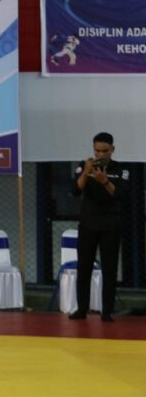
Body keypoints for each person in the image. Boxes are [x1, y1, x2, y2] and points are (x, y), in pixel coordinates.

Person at [69, 133, 129, 323]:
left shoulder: (121, 169)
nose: (100, 154)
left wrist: (104, 181)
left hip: (110, 225)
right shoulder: (85, 165)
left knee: (109, 269)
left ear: (112, 150)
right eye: (97, 150)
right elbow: (74, 191)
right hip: (88, 224)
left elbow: (121, 195)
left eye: (104, 150)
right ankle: (81, 309)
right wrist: (86, 173)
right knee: (84, 267)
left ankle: (107, 311)